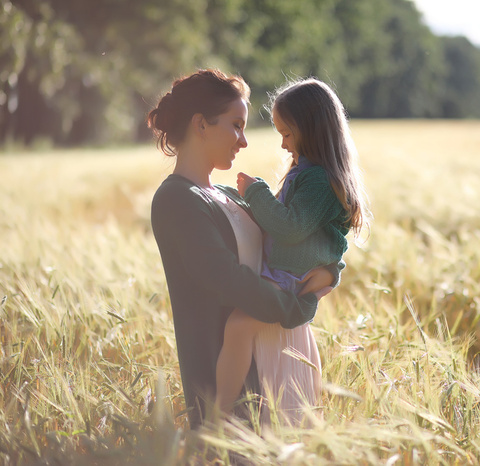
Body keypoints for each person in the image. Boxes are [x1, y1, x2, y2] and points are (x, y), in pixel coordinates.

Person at [147, 69, 333, 429]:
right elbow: (227, 280)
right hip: (230, 384)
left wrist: (331, 271)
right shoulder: (176, 199)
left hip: (280, 357)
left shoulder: (230, 195)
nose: (244, 141)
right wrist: (300, 303)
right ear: (201, 124)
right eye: (236, 125)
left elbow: (301, 239)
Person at [215, 78, 369, 425]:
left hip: (289, 280)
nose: (283, 145)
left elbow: (289, 227)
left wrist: (257, 192)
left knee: (239, 327)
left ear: (311, 130)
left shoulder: (318, 181)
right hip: (287, 275)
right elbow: (311, 235)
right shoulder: (310, 175)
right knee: (247, 330)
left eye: (287, 134)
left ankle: (217, 414)